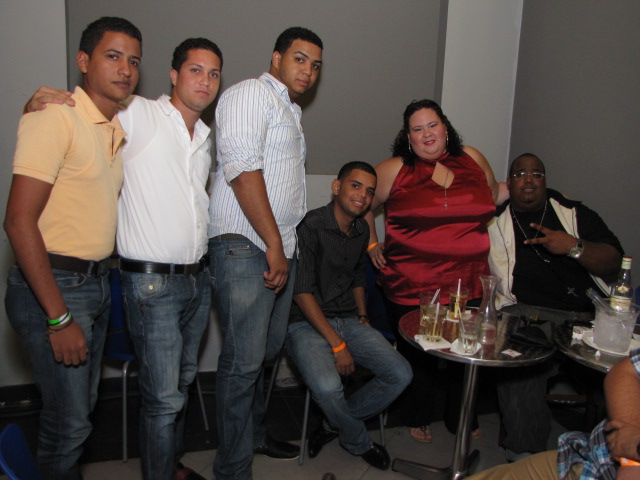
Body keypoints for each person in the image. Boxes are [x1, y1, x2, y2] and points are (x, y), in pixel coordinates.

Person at [22, 37, 224, 480]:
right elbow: (85, 112)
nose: (205, 81)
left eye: (213, 74)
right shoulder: (139, 114)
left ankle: (168, 465)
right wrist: (38, 102)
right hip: (152, 284)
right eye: (195, 70)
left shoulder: (205, 138)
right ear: (173, 75)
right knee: (162, 399)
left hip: (196, 281)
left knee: (181, 385)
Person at [3, 17, 142, 480]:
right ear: (83, 61)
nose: (125, 69)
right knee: (69, 425)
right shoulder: (55, 116)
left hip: (95, 283)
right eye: (113, 56)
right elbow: (18, 221)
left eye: (134, 61)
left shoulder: (111, 127)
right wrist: (58, 317)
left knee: (76, 415)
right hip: (55, 286)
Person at [208, 26, 323, 479]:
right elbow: (241, 170)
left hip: (279, 247)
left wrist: (284, 247)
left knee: (266, 352)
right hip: (246, 244)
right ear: (276, 58)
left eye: (315, 65)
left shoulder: (289, 110)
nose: (308, 71)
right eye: (300, 59)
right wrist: (274, 243)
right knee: (243, 363)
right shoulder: (250, 94)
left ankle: (252, 435)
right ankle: (232, 469)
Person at [365, 99, 502, 443]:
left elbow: (493, 194)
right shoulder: (395, 169)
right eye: (418, 128)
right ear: (408, 137)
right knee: (420, 357)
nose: (427, 134)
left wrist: (536, 190)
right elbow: (361, 203)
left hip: (469, 282)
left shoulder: (472, 158)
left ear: (445, 127)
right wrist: (371, 243)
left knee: (464, 353)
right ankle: (418, 415)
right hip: (413, 284)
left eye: (433, 125)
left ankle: (461, 416)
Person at [488, 153, 623, 461]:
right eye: (520, 174)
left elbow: (615, 262)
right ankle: (525, 456)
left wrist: (574, 246)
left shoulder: (574, 214)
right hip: (526, 314)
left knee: (621, 374)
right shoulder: (494, 220)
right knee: (519, 367)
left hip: (586, 318)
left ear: (545, 181)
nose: (529, 179)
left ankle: (609, 456)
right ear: (509, 183)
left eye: (536, 174)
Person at [286, 162, 412, 470]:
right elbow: (301, 292)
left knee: (401, 373)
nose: (363, 196)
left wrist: (364, 315)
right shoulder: (311, 225)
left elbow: (357, 276)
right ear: (336, 186)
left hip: (350, 319)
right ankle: (357, 439)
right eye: (356, 186)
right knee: (328, 387)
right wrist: (338, 344)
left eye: (369, 191)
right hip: (306, 323)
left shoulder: (361, 230)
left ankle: (334, 423)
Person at [466, 348, 640, 480]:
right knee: (522, 359)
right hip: (586, 457)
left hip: (604, 468)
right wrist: (627, 434)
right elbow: (627, 370)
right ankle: (523, 450)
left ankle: (524, 451)